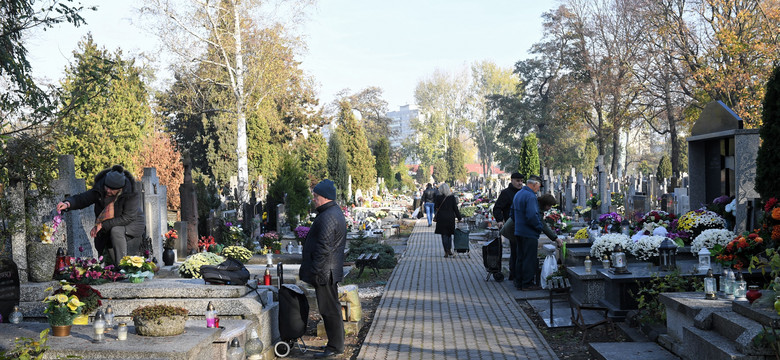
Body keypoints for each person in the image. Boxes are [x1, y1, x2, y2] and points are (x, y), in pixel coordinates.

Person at [56, 165, 144, 263]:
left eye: (112, 189)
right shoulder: (100, 190)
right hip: (109, 225)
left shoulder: (130, 194)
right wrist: (68, 203)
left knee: (116, 231)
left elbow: (128, 217)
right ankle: (114, 267)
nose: (108, 190)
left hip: (132, 223)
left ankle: (122, 267)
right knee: (104, 241)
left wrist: (102, 225)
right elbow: (83, 199)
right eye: (107, 187)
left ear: (120, 189)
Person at [299, 179, 346, 358]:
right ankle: (335, 344)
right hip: (327, 270)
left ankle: (335, 347)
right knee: (331, 308)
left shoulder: (328, 216)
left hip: (325, 271)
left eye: (316, 196)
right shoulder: (330, 212)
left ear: (325, 197)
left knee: (329, 310)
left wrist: (317, 271)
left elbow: (324, 247)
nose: (314, 199)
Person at [511, 175, 544, 290]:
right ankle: (527, 283)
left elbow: (512, 214)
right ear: (534, 184)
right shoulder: (530, 196)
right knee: (529, 259)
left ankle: (519, 281)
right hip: (529, 232)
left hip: (519, 231)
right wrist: (539, 226)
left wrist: (519, 225)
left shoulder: (518, 194)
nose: (538, 189)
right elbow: (531, 216)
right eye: (538, 186)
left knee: (520, 257)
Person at [494, 173, 524, 280]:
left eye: (521, 181)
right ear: (512, 180)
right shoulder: (506, 193)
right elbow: (497, 208)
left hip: (524, 226)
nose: (520, 183)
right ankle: (514, 273)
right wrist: (499, 220)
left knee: (521, 251)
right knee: (515, 250)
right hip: (512, 226)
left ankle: (519, 273)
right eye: (517, 181)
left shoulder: (523, 192)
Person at [433, 183, 462, 257]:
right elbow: (455, 208)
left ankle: (446, 251)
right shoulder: (452, 197)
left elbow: (435, 207)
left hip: (441, 218)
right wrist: (459, 218)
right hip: (450, 218)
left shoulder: (438, 197)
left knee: (444, 235)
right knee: (449, 235)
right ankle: (449, 249)